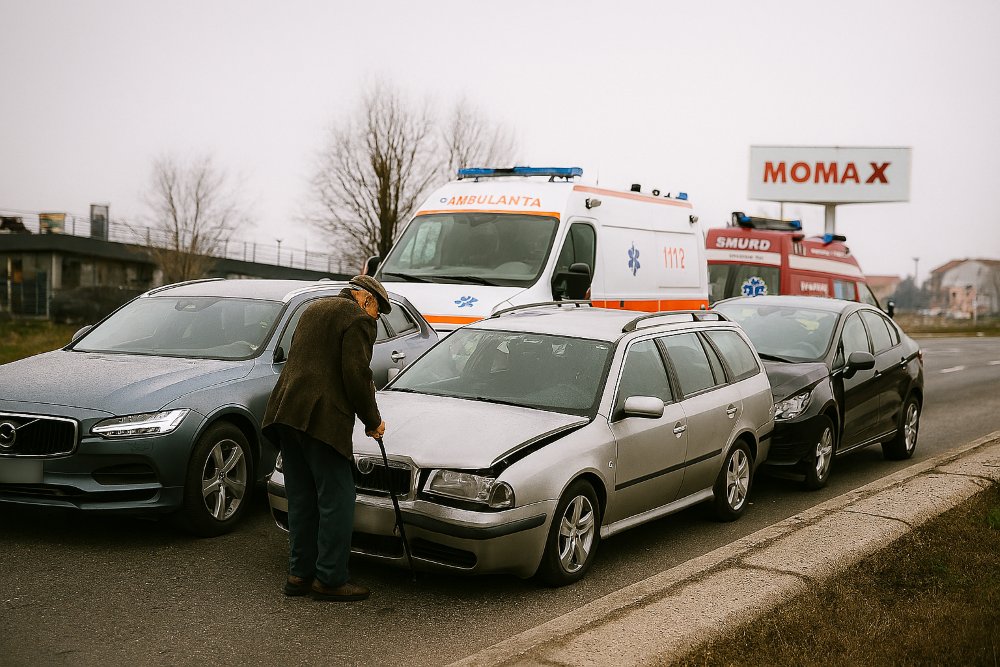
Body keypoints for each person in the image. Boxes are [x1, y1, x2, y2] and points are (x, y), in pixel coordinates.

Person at [262, 275, 391, 602]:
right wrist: (373, 421)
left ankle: (299, 575)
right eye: (378, 309)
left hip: (286, 413)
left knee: (302, 498)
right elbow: (356, 375)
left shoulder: (313, 309)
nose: (377, 317)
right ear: (365, 299)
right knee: (338, 499)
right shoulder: (358, 319)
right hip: (322, 420)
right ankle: (330, 579)